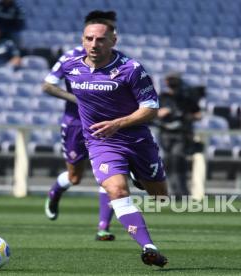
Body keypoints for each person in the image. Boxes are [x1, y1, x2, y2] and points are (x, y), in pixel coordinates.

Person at [43, 10, 168, 267]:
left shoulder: (130, 69)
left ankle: (138, 176)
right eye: (88, 39)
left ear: (113, 40)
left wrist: (118, 123)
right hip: (100, 141)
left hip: (136, 139)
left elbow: (151, 108)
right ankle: (148, 246)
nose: (93, 44)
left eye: (100, 39)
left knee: (160, 198)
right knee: (116, 189)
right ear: (82, 39)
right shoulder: (70, 64)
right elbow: (48, 85)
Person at [156, 73, 203, 197]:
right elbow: (152, 113)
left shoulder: (185, 98)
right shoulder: (162, 97)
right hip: (165, 133)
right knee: (168, 161)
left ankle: (181, 190)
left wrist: (185, 116)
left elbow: (198, 115)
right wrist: (161, 113)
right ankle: (171, 190)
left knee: (177, 159)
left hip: (181, 134)